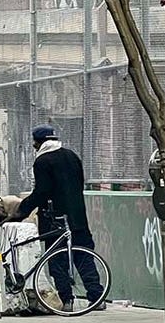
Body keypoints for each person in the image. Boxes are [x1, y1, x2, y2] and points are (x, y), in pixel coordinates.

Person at [6, 125, 106, 312]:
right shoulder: (72, 156)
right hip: (77, 217)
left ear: (38, 142)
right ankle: (97, 297)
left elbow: (41, 192)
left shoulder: (43, 161)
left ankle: (67, 300)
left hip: (55, 219)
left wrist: (21, 211)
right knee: (84, 256)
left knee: (57, 259)